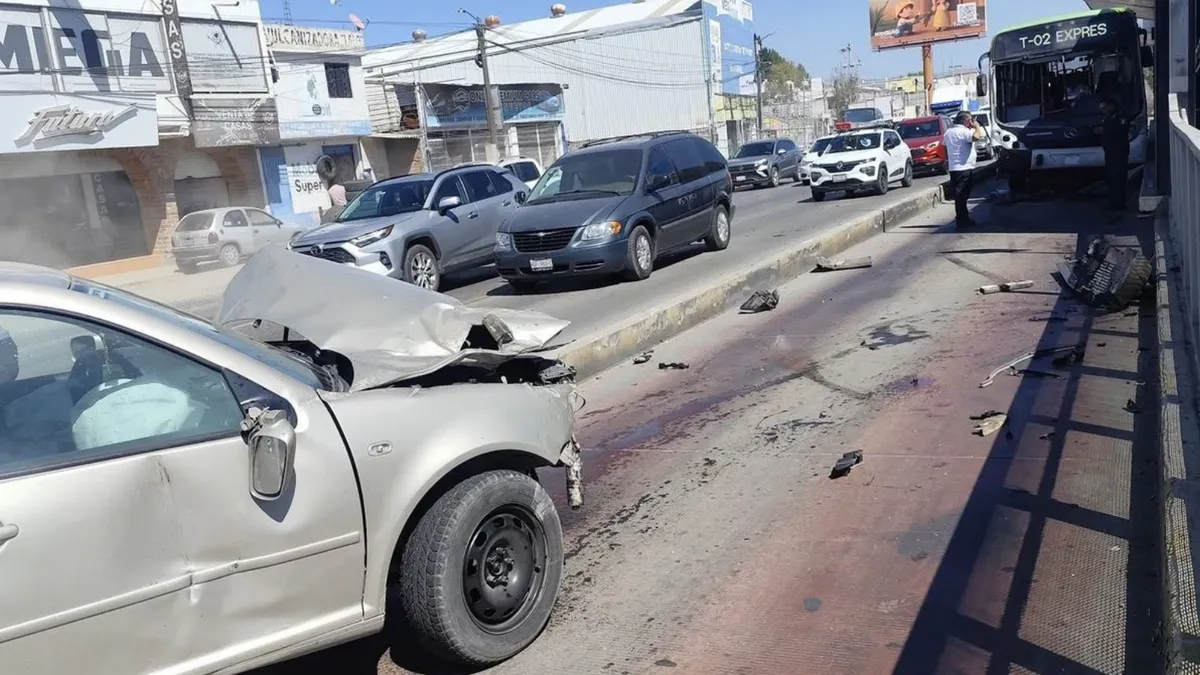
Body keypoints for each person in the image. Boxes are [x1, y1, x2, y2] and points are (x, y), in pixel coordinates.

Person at [942, 110, 985, 228]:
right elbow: (976, 137)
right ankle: (962, 219)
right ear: (966, 121)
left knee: (960, 194)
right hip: (964, 168)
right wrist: (977, 127)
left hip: (954, 168)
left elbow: (944, 147)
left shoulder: (948, 132)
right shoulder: (964, 131)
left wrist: (947, 160)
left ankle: (962, 217)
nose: (972, 121)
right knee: (962, 195)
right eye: (970, 120)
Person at [1100, 97, 1131, 211]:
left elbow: (1121, 132)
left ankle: (1119, 204)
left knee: (1119, 178)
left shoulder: (1120, 117)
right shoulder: (1108, 118)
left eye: (1105, 108)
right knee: (1111, 178)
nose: (1104, 110)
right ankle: (1113, 202)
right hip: (1110, 153)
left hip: (1119, 153)